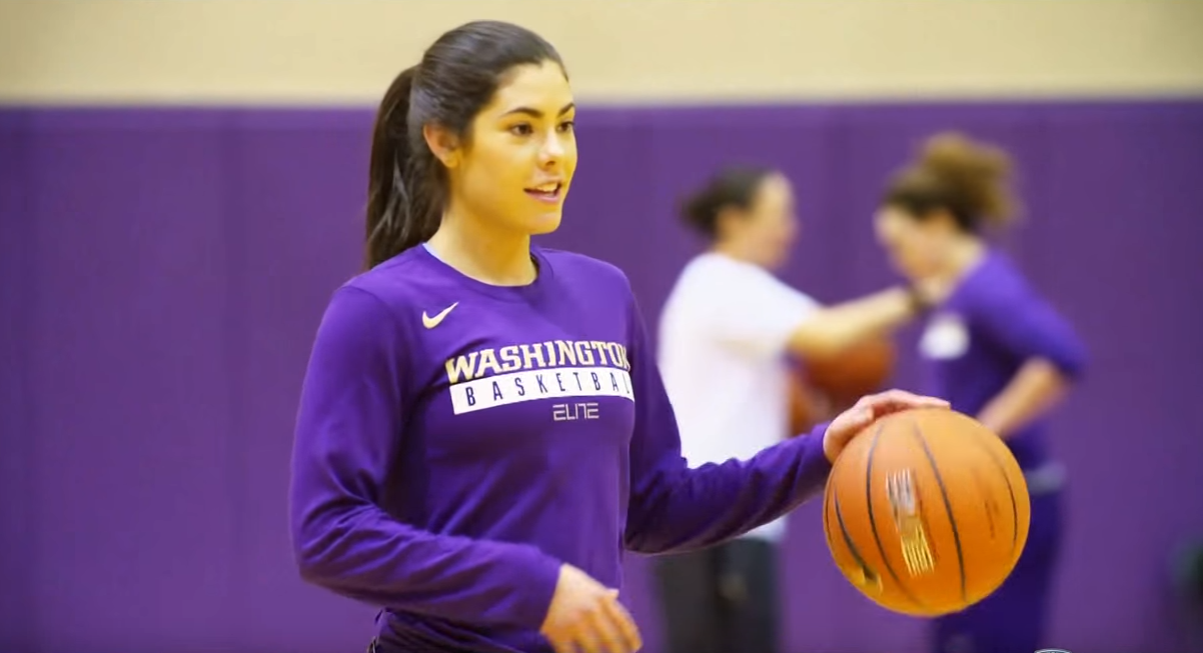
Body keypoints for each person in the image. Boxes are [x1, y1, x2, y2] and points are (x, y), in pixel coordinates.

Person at [287, 19, 949, 653]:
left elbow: (657, 503)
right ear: (444, 141)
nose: (554, 153)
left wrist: (822, 452)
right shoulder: (380, 308)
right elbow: (328, 533)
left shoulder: (602, 293)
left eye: (565, 125)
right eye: (522, 128)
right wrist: (533, 587)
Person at [652, 164, 941, 653]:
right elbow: (828, 334)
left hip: (724, 517)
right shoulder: (719, 280)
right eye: (779, 215)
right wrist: (924, 294)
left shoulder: (729, 289)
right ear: (733, 220)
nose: (791, 229)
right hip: (712, 518)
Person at [873, 132, 1088, 653]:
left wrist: (974, 437)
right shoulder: (955, 295)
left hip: (1004, 501)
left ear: (939, 223)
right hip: (960, 502)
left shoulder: (989, 287)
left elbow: (1062, 356)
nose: (897, 260)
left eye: (899, 244)